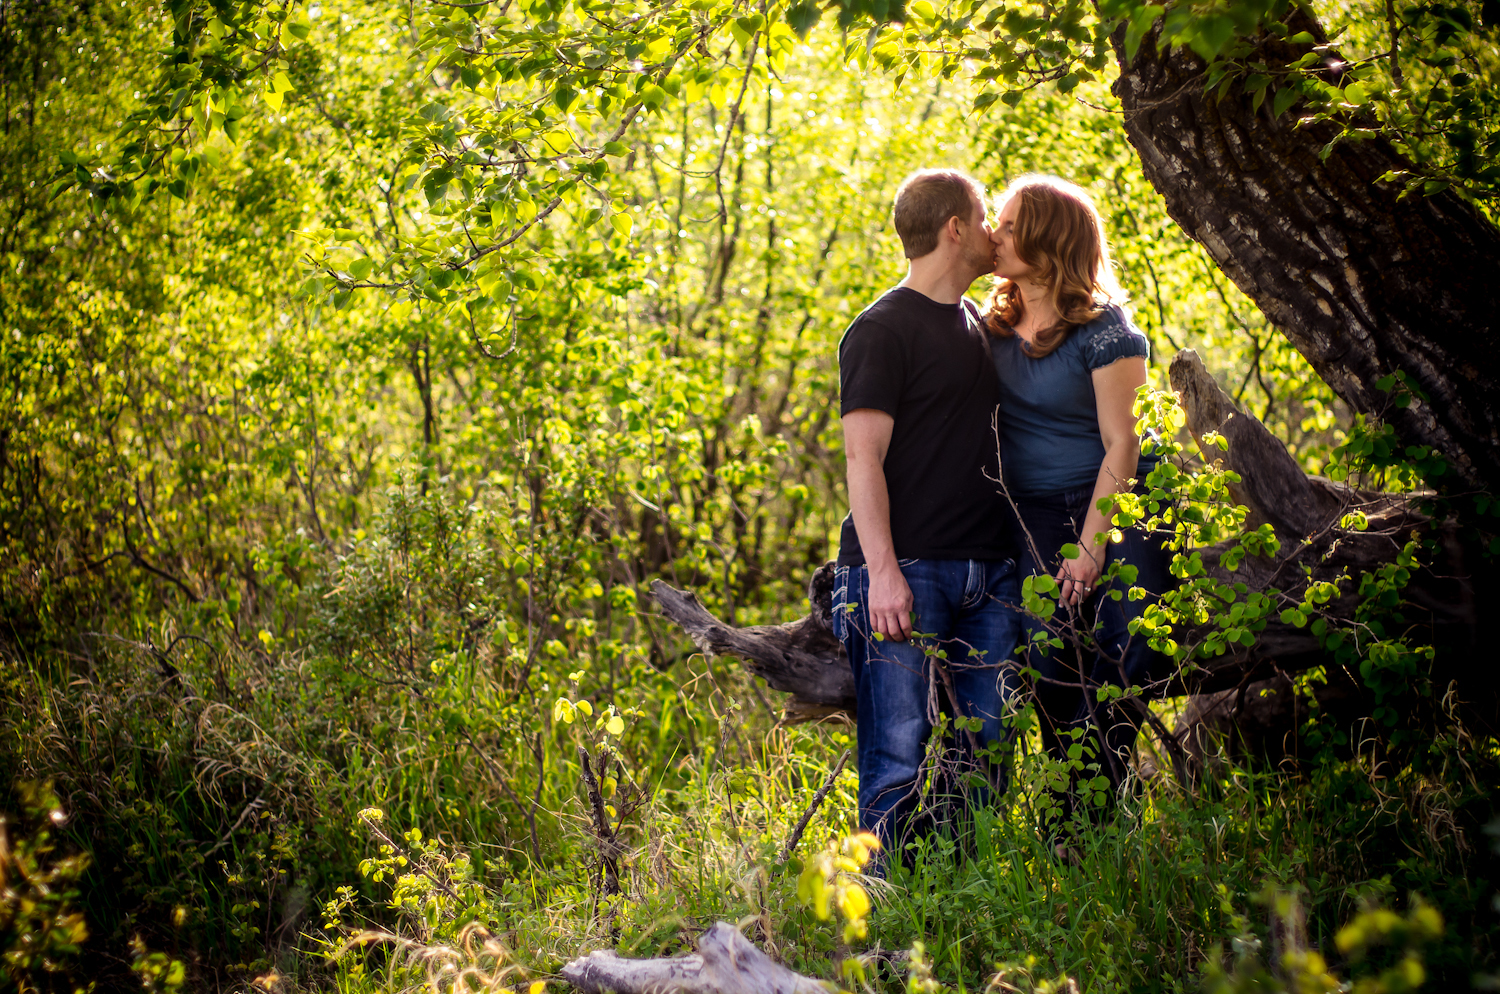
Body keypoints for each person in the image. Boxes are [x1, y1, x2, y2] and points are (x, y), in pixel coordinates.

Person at [830, 168, 1023, 867]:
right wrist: (881, 573)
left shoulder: (977, 324)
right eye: (985, 217)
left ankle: (958, 903)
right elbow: (862, 460)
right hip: (904, 570)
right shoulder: (881, 329)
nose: (995, 230)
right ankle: (883, 919)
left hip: (991, 575)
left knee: (987, 751)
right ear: (954, 228)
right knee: (896, 757)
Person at [983, 174, 1173, 827]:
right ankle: (1070, 813)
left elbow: (1123, 443)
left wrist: (1092, 548)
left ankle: (1103, 795)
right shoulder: (991, 327)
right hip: (1033, 511)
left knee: (1134, 642)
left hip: (1116, 500)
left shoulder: (1105, 330)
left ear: (1049, 238)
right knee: (1047, 648)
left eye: (1008, 225)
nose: (995, 234)